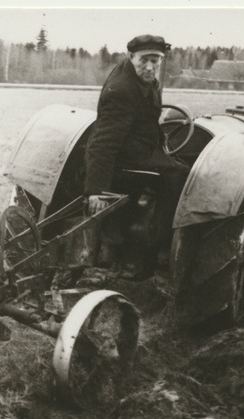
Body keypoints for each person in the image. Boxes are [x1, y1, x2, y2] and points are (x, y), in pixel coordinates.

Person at [84, 34, 189, 276]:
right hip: (126, 158)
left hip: (140, 150)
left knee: (176, 166)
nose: (150, 67)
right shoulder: (122, 90)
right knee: (180, 176)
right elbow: (102, 143)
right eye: (144, 60)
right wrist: (96, 191)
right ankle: (157, 247)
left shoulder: (145, 79)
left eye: (156, 60)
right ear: (131, 57)